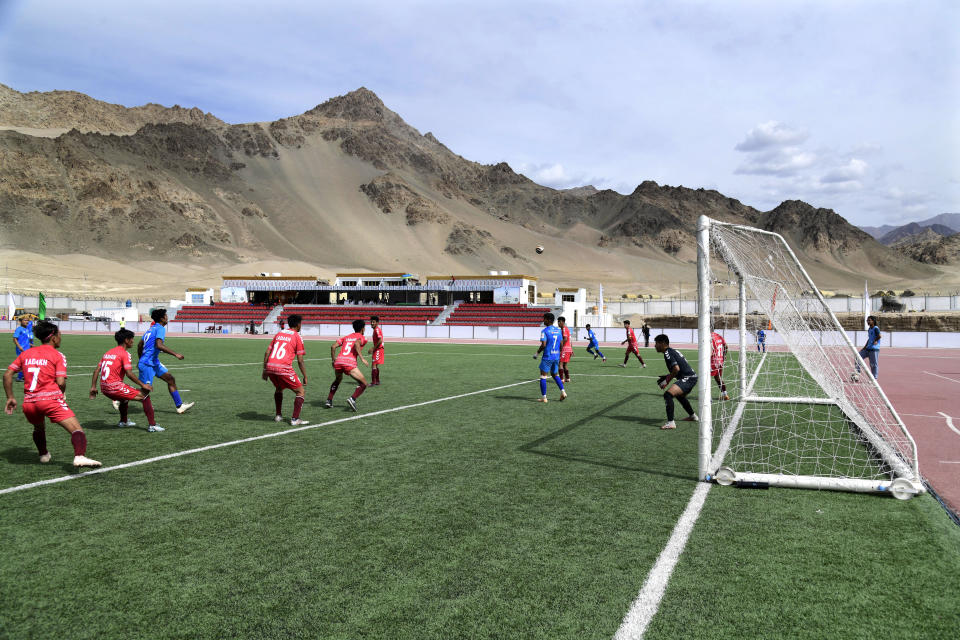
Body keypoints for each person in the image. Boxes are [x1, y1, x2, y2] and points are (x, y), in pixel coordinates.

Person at [3, 321, 101, 467]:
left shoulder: (26, 353)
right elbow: (60, 382)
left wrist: (10, 397)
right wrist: (60, 395)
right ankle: (79, 456)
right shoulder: (57, 355)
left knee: (38, 428)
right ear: (54, 338)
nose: (61, 338)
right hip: (50, 399)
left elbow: (7, 375)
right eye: (60, 335)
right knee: (77, 430)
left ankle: (43, 454)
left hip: (29, 403)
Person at [89, 328, 161, 431]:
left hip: (104, 389)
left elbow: (96, 371)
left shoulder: (108, 353)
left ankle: (124, 421)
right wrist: (143, 385)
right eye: (132, 339)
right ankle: (152, 425)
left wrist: (93, 387)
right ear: (126, 340)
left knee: (124, 398)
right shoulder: (124, 353)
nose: (133, 341)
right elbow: (129, 373)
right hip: (114, 387)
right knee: (144, 396)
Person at [137, 309, 194, 415]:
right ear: (162, 318)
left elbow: (140, 345)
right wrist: (175, 354)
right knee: (144, 391)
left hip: (153, 362)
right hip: (148, 364)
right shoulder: (160, 328)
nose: (167, 317)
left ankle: (180, 406)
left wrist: (141, 358)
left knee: (170, 379)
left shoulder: (150, 329)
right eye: (166, 315)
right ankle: (120, 397)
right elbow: (159, 345)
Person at [263, 313, 308, 425]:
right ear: (298, 324)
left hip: (270, 366)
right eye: (301, 323)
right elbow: (300, 360)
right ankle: (295, 419)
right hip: (283, 368)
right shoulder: (297, 336)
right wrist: (305, 376)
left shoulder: (279, 333)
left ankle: (278, 416)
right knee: (300, 391)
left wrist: (265, 370)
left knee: (279, 388)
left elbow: (267, 352)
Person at [654, 334, 698, 430]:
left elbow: (676, 369)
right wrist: (667, 376)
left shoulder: (667, 353)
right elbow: (678, 369)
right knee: (679, 395)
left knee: (668, 395)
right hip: (691, 377)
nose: (655, 346)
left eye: (656, 343)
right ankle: (693, 416)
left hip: (688, 378)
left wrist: (667, 380)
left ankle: (671, 423)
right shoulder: (671, 351)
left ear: (662, 343)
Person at [326, 319, 369, 411]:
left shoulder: (347, 337)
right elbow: (357, 344)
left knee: (337, 380)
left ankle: (329, 400)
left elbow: (333, 346)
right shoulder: (362, 337)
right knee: (364, 383)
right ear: (363, 328)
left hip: (339, 361)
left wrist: (333, 360)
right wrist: (362, 358)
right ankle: (352, 399)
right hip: (349, 363)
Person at [533, 312, 567, 403]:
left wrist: (537, 353)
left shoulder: (544, 331)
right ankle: (563, 392)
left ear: (548, 320)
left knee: (543, 376)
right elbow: (561, 344)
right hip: (556, 356)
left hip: (547, 357)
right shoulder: (558, 331)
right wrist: (558, 354)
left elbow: (543, 345)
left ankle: (544, 398)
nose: (543, 320)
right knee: (555, 374)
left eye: (544, 318)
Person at [857, 315, 881, 380]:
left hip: (874, 349)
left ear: (873, 321)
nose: (868, 321)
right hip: (868, 349)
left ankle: (874, 378)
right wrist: (864, 347)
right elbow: (869, 339)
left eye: (869, 320)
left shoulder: (876, 328)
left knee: (873, 364)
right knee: (858, 357)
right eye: (867, 320)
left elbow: (879, 336)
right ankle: (857, 373)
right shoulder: (869, 329)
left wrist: (875, 340)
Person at [12, 317, 33, 382]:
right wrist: (20, 347)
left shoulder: (26, 329)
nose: (26, 321)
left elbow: (26, 340)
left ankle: (23, 376)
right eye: (25, 320)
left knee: (27, 362)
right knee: (23, 363)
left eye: (27, 320)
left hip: (27, 348)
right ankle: (19, 377)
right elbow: (14, 339)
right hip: (21, 349)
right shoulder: (19, 329)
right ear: (21, 321)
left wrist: (32, 346)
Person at [711, 331, 730, 401]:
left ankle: (707, 397)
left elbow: (710, 351)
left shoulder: (708, 337)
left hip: (712, 361)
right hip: (720, 360)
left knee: (705, 377)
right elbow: (726, 346)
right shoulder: (718, 335)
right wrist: (724, 355)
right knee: (718, 378)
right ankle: (725, 395)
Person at [367, 315, 384, 386]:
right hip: (377, 349)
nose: (372, 323)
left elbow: (380, 340)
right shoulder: (375, 330)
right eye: (371, 322)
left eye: (373, 322)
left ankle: (373, 382)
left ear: (377, 323)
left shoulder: (377, 330)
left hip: (378, 350)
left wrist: (373, 348)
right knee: (375, 365)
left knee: (374, 365)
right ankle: (377, 381)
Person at [558, 316, 573, 383]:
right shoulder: (565, 329)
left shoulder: (564, 328)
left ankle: (561, 379)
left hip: (565, 349)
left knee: (560, 364)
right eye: (558, 321)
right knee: (565, 365)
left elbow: (565, 339)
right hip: (568, 349)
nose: (558, 323)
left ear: (563, 322)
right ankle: (567, 378)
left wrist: (560, 347)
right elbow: (569, 339)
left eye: (559, 321)